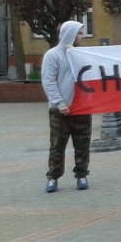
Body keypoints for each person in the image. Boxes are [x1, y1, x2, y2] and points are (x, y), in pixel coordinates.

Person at [42, 20, 91, 193]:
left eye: (82, 32)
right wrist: (60, 103)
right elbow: (48, 81)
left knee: (83, 144)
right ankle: (53, 177)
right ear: (70, 34)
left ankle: (82, 174)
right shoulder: (53, 55)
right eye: (79, 33)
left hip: (81, 109)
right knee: (57, 145)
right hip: (60, 111)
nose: (82, 36)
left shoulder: (81, 55)